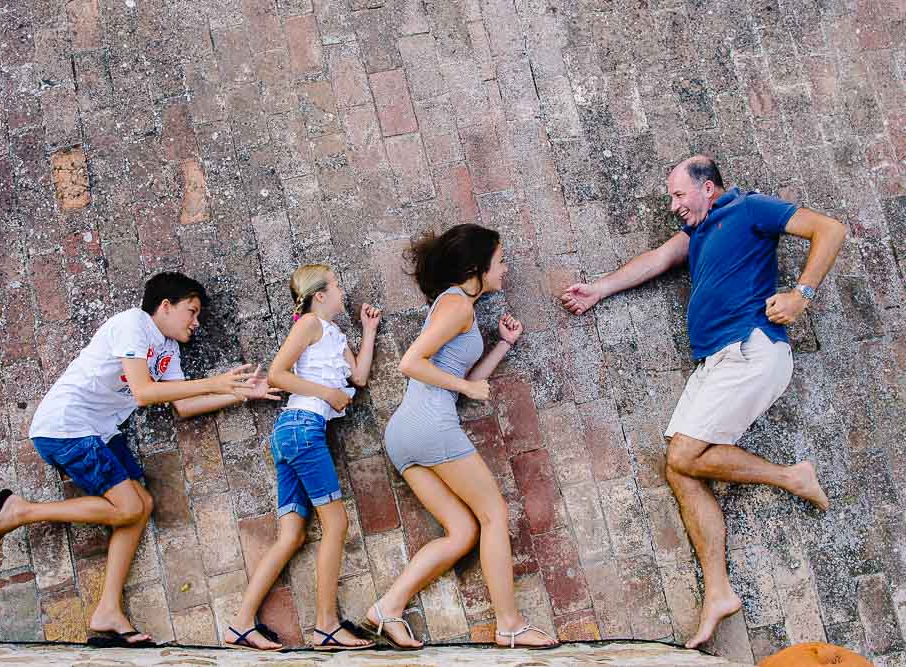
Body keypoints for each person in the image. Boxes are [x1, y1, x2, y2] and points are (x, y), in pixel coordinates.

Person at [561, 155, 846, 648]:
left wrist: (801, 294)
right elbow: (657, 260)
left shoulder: (750, 208)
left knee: (684, 455)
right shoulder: (698, 231)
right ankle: (718, 592)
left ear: (709, 188)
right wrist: (598, 290)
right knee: (679, 467)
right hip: (716, 363)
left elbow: (831, 230)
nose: (674, 206)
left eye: (679, 195)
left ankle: (791, 476)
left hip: (750, 349)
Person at [0, 272, 280, 648]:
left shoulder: (167, 350)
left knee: (143, 503)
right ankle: (20, 511)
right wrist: (215, 381)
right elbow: (142, 391)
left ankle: (107, 610)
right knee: (127, 508)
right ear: (165, 306)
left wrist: (242, 393)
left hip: (99, 430)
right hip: (66, 425)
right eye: (191, 311)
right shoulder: (132, 325)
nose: (195, 322)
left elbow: (183, 405)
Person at [366, 224, 559, 650]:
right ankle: (509, 624)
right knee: (493, 514)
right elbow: (410, 362)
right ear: (477, 268)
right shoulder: (457, 308)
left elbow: (463, 376)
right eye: (501, 260)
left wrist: (503, 346)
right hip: (432, 425)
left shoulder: (455, 306)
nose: (505, 268)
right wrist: (466, 390)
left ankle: (387, 608)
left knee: (462, 533)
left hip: (407, 433)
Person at [223, 264, 381, 652]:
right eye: (338, 284)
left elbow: (358, 377)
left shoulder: (334, 333)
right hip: (302, 428)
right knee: (336, 524)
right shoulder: (308, 323)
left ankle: (240, 625)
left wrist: (369, 331)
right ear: (320, 295)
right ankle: (326, 626)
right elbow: (277, 373)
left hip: (295, 435)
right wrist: (328, 395)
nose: (343, 290)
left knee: (292, 535)